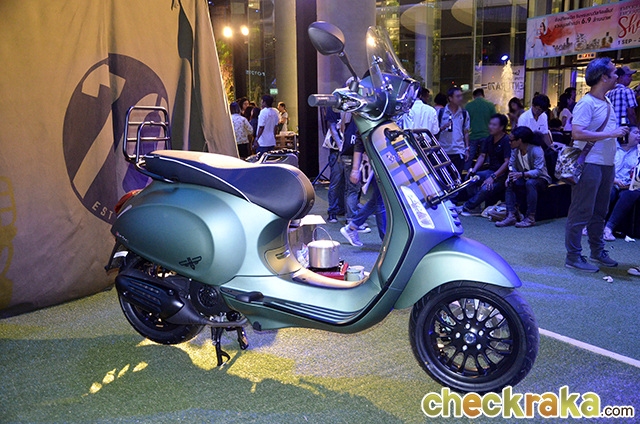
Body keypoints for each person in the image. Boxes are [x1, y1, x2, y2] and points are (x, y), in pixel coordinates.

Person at [565, 57, 629, 272]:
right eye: (614, 72)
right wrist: (612, 133)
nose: (618, 76)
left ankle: (597, 251)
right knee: (581, 211)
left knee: (600, 211)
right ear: (604, 77)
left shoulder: (606, 101)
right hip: (589, 163)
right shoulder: (587, 103)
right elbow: (577, 133)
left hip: (606, 164)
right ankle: (573, 256)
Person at [495, 126, 551, 228]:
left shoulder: (536, 150)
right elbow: (511, 165)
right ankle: (511, 215)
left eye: (511, 140)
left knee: (530, 183)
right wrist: (510, 176)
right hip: (523, 177)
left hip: (541, 178)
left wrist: (522, 174)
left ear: (519, 140)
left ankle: (530, 218)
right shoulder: (515, 150)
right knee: (510, 182)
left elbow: (538, 171)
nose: (509, 143)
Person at [340, 136, 386, 246]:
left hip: (382, 161)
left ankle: (352, 226)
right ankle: (386, 239)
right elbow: (359, 144)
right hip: (376, 162)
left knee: (377, 200)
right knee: (380, 200)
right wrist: (355, 170)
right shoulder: (365, 127)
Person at [461, 114, 511, 216]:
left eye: (494, 125)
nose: (490, 127)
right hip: (489, 171)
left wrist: (493, 177)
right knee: (470, 179)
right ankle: (475, 206)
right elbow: (482, 156)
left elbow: (507, 162)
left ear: (501, 127)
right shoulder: (489, 139)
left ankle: (468, 206)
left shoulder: (506, 140)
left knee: (486, 188)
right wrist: (474, 170)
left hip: (501, 175)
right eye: (490, 124)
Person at [603, 125, 640, 241]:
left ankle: (608, 228)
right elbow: (604, 169)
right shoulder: (612, 148)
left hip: (630, 185)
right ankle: (594, 224)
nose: (639, 136)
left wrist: (633, 183)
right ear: (626, 134)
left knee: (631, 193)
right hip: (612, 181)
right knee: (608, 191)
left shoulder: (639, 151)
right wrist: (614, 180)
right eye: (636, 133)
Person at [436, 87, 470, 176]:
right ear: (450, 98)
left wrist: (467, 149)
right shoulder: (441, 112)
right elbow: (435, 130)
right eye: (457, 96)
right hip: (444, 151)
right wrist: (442, 127)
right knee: (444, 177)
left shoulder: (464, 113)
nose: (460, 98)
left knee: (457, 177)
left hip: (458, 150)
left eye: (461, 96)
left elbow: (466, 132)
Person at [464, 88, 497, 170]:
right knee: (486, 156)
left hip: (472, 135)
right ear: (483, 95)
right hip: (487, 135)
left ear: (474, 96)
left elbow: (465, 122)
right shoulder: (490, 105)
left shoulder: (468, 106)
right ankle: (485, 172)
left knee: (469, 158)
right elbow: (495, 120)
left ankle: (465, 173)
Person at [325, 107, 344, 223]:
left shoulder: (352, 107)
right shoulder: (333, 107)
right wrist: (340, 145)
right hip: (337, 151)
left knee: (347, 183)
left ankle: (343, 209)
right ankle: (332, 211)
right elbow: (332, 128)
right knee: (336, 182)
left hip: (348, 149)